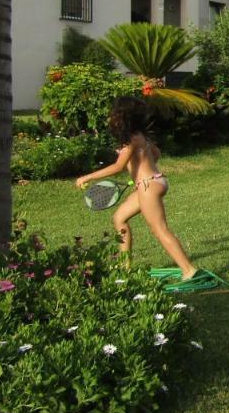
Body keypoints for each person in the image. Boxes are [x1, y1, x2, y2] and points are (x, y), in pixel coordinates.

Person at [76, 96, 199, 280]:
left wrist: (88, 176)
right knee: (119, 218)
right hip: (154, 182)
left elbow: (117, 167)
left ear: (121, 117)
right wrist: (139, 173)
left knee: (159, 229)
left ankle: (188, 269)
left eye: (114, 114)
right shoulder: (141, 136)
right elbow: (156, 154)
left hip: (148, 186)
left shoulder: (130, 140)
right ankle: (125, 266)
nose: (111, 117)